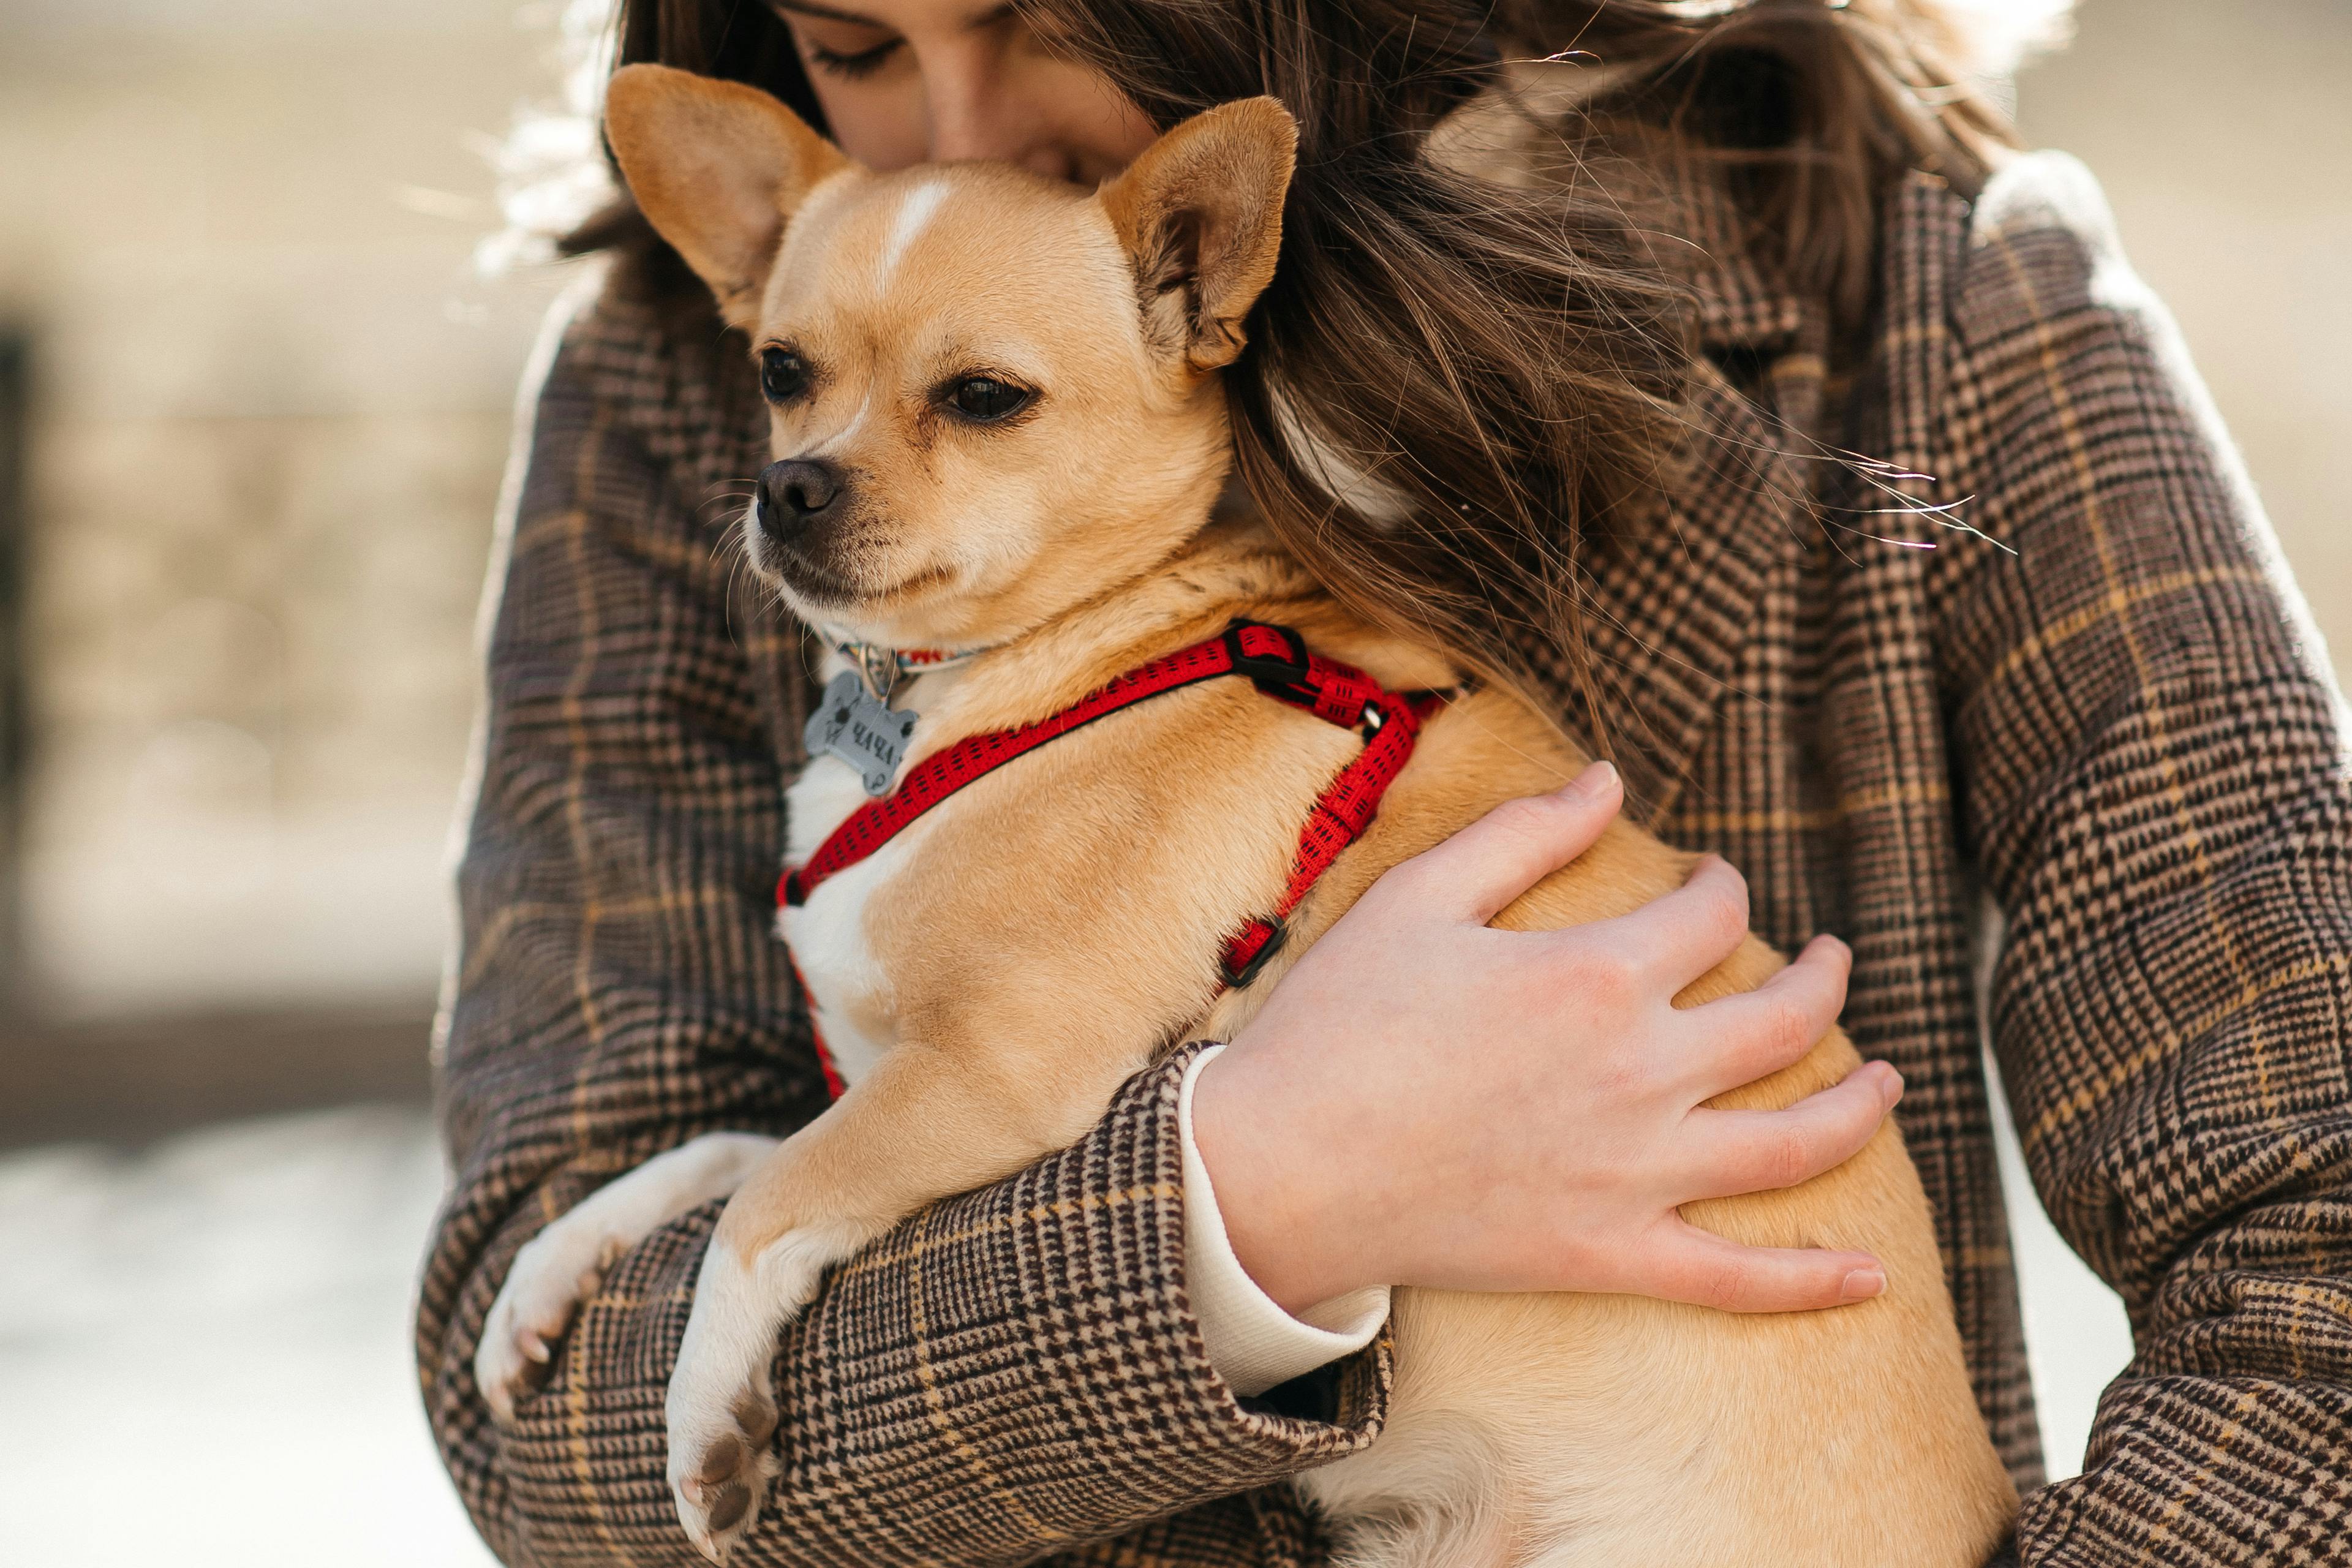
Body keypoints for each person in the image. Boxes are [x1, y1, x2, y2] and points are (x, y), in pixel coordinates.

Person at [415, 2, 2352, 1564]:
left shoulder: (1928, 297)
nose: (956, 120)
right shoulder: (694, 394)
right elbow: (551, 1443)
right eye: (852, 45)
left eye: (1046, 15)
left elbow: (2319, 1261)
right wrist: (1244, 1204)